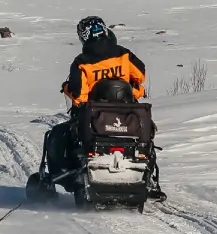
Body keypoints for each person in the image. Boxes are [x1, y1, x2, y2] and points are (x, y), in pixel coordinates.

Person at [40, 16, 147, 179]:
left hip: (94, 118)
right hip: (127, 115)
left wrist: (67, 89)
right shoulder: (123, 54)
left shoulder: (82, 62)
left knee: (58, 134)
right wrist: (132, 89)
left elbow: (79, 96)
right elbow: (140, 75)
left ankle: (61, 176)